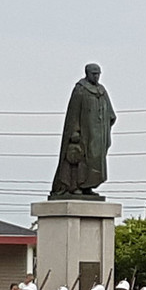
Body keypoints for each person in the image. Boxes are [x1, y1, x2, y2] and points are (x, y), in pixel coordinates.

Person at [51, 63, 117, 197]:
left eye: (98, 74)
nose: (97, 76)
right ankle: (75, 186)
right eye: (94, 74)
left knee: (96, 160)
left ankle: (89, 186)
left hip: (99, 134)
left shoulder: (102, 91)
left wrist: (107, 120)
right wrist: (75, 130)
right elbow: (73, 113)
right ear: (87, 73)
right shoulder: (80, 89)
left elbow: (110, 113)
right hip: (84, 134)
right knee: (80, 159)